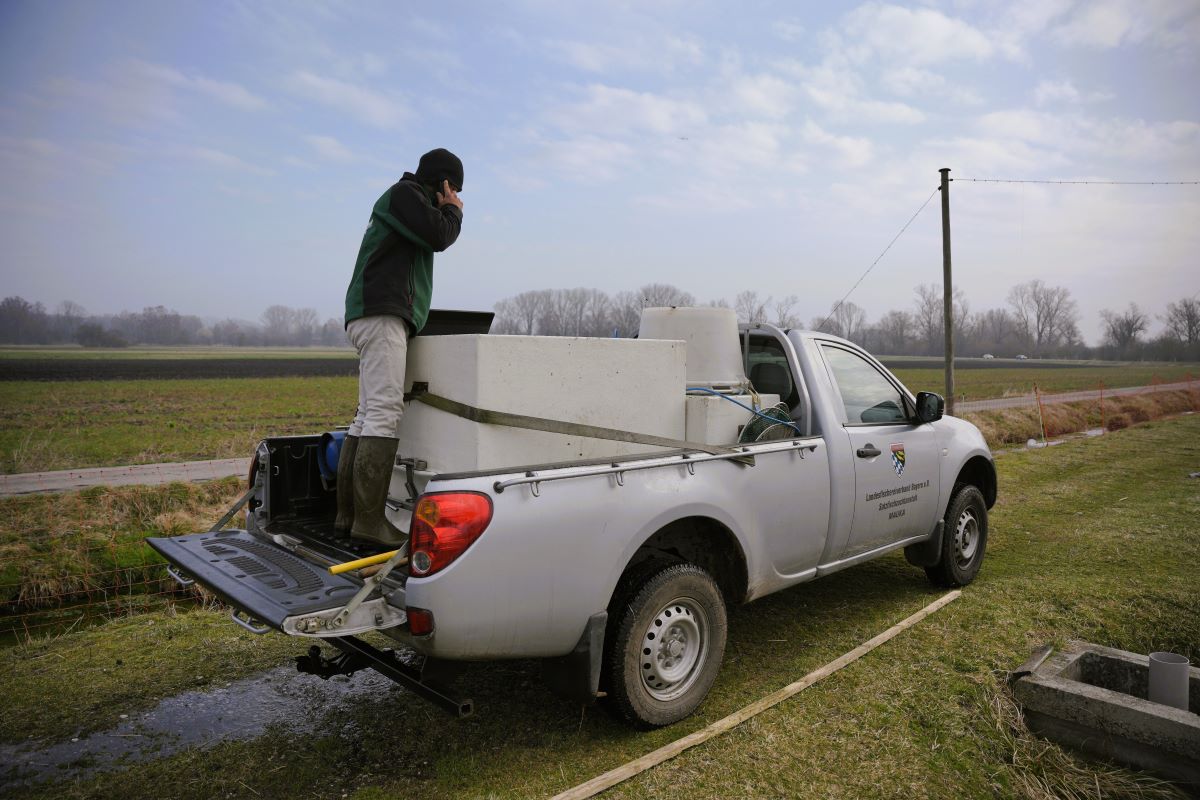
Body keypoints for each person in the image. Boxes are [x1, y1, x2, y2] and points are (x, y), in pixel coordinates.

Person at [337, 148, 464, 547]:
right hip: (382, 314)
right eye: (454, 188)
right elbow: (440, 236)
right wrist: (454, 210)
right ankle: (370, 522)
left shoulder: (404, 200)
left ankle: (348, 516)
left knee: (366, 415)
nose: (457, 196)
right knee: (384, 413)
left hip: (372, 313)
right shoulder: (405, 195)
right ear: (443, 183)